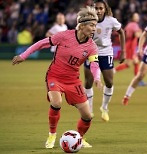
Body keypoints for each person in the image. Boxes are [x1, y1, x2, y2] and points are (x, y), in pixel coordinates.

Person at [12, 6, 102, 149]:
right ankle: (52, 135)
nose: (94, 29)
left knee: (87, 115)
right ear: (82, 25)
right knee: (56, 102)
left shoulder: (92, 46)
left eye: (95, 25)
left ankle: (80, 138)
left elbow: (94, 65)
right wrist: (24, 55)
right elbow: (41, 43)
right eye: (91, 25)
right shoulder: (64, 36)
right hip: (55, 76)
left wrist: (97, 77)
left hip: (73, 80)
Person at [84, 0, 125, 121]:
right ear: (93, 9)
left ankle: (104, 107)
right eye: (96, 8)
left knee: (109, 82)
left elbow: (121, 32)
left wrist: (123, 51)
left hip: (106, 53)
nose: (98, 11)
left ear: (105, 9)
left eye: (101, 8)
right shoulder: (88, 20)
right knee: (88, 82)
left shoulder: (111, 20)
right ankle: (89, 109)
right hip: (90, 52)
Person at [114, 12, 147, 86]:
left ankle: (138, 80)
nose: (137, 17)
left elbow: (124, 34)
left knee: (136, 62)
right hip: (131, 46)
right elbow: (136, 35)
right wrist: (141, 33)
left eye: (137, 16)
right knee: (129, 64)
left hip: (128, 45)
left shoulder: (129, 25)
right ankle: (113, 70)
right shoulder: (134, 25)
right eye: (136, 16)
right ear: (132, 17)